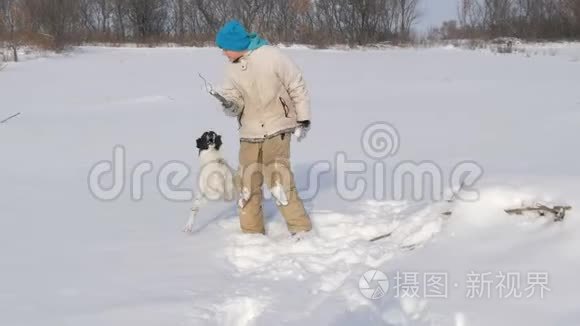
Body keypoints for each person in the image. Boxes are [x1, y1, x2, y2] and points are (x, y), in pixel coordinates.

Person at [215, 20, 312, 236]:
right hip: (249, 132)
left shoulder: (271, 56)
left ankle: (301, 230)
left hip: (277, 126)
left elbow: (296, 84)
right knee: (247, 183)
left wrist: (303, 119)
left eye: (224, 48)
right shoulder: (230, 69)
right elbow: (234, 99)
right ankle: (251, 233)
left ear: (237, 44)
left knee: (278, 180)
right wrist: (229, 104)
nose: (223, 53)